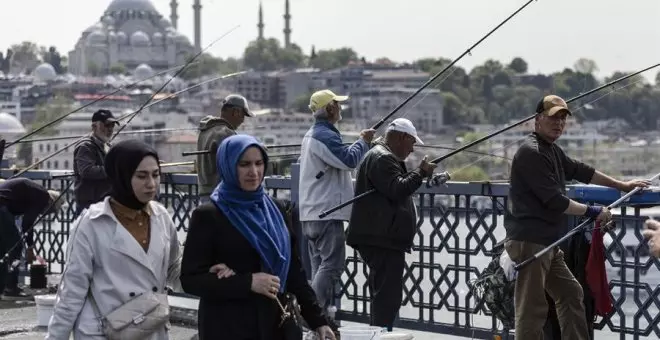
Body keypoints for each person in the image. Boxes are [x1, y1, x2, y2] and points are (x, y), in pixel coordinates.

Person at [503, 94, 650, 340]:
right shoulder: (532, 152)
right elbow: (555, 201)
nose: (559, 123)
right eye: (553, 118)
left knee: (571, 293)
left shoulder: (551, 150)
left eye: (563, 118)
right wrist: (593, 211)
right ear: (537, 120)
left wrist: (621, 184)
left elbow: (581, 171)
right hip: (530, 242)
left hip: (549, 242)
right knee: (532, 310)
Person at [180, 134, 335, 340]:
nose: (253, 172)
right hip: (228, 326)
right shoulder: (209, 215)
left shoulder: (276, 210)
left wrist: (319, 321)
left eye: (259, 163)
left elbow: (294, 272)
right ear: (228, 166)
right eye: (244, 164)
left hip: (275, 322)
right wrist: (248, 282)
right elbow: (190, 280)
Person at [46, 140, 182, 339]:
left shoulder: (161, 217)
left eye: (156, 175)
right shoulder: (91, 223)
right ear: (121, 177)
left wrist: (208, 270)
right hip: (102, 331)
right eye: (141, 176)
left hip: (150, 327)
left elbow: (173, 270)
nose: (151, 184)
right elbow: (71, 292)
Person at [346, 118, 437, 331]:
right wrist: (421, 173)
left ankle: (377, 333)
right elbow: (397, 189)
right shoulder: (381, 158)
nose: (412, 148)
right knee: (387, 299)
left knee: (385, 296)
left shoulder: (381, 156)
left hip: (382, 237)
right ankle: (379, 335)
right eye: (411, 142)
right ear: (401, 137)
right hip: (381, 239)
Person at [298, 89, 375, 321]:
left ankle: (318, 319)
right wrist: (364, 141)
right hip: (326, 213)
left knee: (319, 266)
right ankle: (308, 314)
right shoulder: (325, 135)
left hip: (310, 213)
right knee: (332, 265)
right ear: (330, 108)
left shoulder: (313, 134)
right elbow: (349, 160)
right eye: (337, 104)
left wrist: (360, 142)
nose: (340, 108)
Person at [0, 178, 61, 300]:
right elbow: (27, 223)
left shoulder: (35, 194)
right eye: (50, 211)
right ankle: (11, 288)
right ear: (51, 203)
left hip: (3, 206)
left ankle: (2, 287)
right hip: (1, 206)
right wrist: (30, 248)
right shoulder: (43, 197)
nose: (45, 214)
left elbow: (27, 223)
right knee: (15, 247)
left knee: (3, 249)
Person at [196, 94, 254, 203]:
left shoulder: (206, 130)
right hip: (221, 196)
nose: (243, 120)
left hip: (204, 194)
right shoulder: (226, 134)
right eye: (243, 115)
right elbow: (238, 164)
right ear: (235, 112)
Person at [73, 109, 119, 216]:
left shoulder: (106, 145)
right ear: (94, 127)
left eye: (112, 126)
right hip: (89, 204)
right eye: (106, 125)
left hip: (102, 202)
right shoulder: (85, 146)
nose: (110, 129)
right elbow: (87, 171)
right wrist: (114, 169)